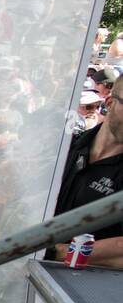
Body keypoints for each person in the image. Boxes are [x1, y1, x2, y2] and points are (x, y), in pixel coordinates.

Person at [51, 75, 123, 267]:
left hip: (76, 286)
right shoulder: (68, 145)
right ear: (110, 102)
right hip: (20, 265)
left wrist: (59, 252)